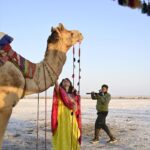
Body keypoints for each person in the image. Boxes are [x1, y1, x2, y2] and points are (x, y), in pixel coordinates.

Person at [51, 78, 81, 150]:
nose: (66, 82)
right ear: (62, 84)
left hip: (71, 117)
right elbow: (57, 87)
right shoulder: (60, 92)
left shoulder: (74, 94)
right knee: (63, 133)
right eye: (64, 81)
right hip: (62, 116)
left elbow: (76, 107)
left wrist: (74, 102)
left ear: (70, 84)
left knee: (73, 133)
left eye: (67, 81)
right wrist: (55, 78)